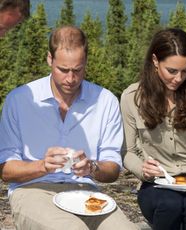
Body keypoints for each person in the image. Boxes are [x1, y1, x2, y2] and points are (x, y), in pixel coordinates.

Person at [0, 25, 138, 230]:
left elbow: (112, 169)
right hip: (32, 190)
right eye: (63, 70)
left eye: (78, 70)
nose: (70, 79)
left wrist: (92, 168)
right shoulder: (19, 100)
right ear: (49, 59)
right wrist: (42, 166)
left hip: (86, 192)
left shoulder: (105, 100)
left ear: (86, 63)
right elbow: (6, 170)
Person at [120, 28, 186, 230]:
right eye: (172, 71)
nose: (178, 78)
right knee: (170, 205)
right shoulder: (131, 97)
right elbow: (127, 152)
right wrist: (142, 169)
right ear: (155, 61)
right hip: (155, 184)